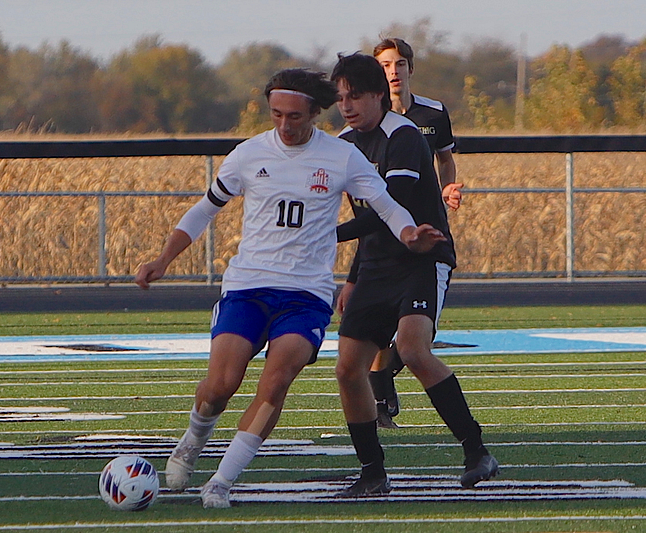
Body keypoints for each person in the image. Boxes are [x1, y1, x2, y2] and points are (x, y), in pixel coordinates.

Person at [135, 68, 445, 509]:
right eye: (276, 114)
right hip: (248, 287)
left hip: (306, 296)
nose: (284, 124)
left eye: (295, 116)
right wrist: (163, 259)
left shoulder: (341, 156)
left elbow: (387, 205)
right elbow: (205, 209)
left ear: (315, 113)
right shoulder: (248, 154)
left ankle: (222, 482)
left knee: (276, 382)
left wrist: (410, 234)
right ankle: (192, 441)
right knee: (221, 385)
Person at [330, 53, 498, 497]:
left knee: (412, 348)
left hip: (422, 257)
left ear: (378, 95)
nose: (346, 106)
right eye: (341, 97)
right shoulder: (342, 143)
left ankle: (476, 449)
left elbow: (393, 205)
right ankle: (373, 473)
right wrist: (353, 277)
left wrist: (328, 234)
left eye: (355, 96)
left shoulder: (402, 135)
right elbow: (363, 217)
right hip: (376, 264)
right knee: (348, 368)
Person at [369, 37, 465, 428]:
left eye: (399, 64)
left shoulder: (433, 113)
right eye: (384, 66)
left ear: (410, 68)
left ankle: (381, 381)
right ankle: (379, 404)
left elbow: (445, 159)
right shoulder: (364, 123)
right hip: (384, 239)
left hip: (428, 237)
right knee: (375, 330)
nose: (393, 72)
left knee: (416, 338)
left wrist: (447, 189)